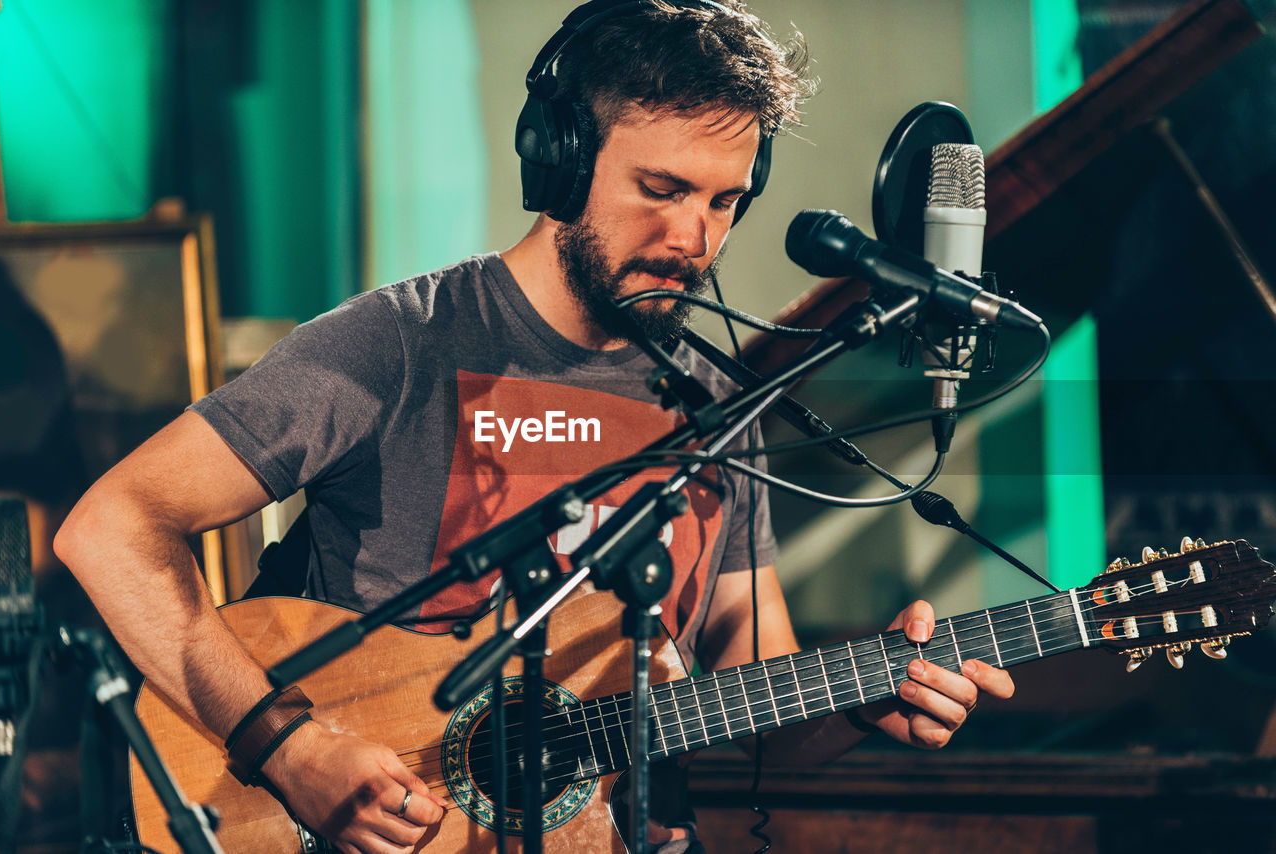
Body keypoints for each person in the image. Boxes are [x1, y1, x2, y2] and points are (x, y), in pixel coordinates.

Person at [55, 2, 1014, 852]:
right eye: (663, 189)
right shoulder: (399, 343)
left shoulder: (722, 401)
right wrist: (291, 749)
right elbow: (110, 527)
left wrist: (865, 698)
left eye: (725, 202)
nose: (696, 242)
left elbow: (746, 689)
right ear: (559, 163)